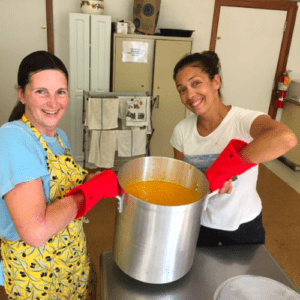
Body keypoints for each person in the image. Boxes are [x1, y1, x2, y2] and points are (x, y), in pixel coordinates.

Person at [0, 51, 119, 299]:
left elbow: (58, 185)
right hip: (36, 270)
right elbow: (35, 232)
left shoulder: (60, 137)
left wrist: (88, 181)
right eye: (41, 91)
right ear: (21, 94)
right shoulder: (13, 137)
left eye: (60, 92)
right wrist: (85, 195)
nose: (53, 103)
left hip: (70, 253)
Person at [171, 51, 297, 247]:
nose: (189, 95)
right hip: (202, 222)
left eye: (196, 83)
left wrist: (225, 169)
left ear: (216, 82)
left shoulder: (243, 120)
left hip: (244, 224)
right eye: (181, 90)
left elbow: (285, 138)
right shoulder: (181, 131)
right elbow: (182, 181)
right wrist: (205, 185)